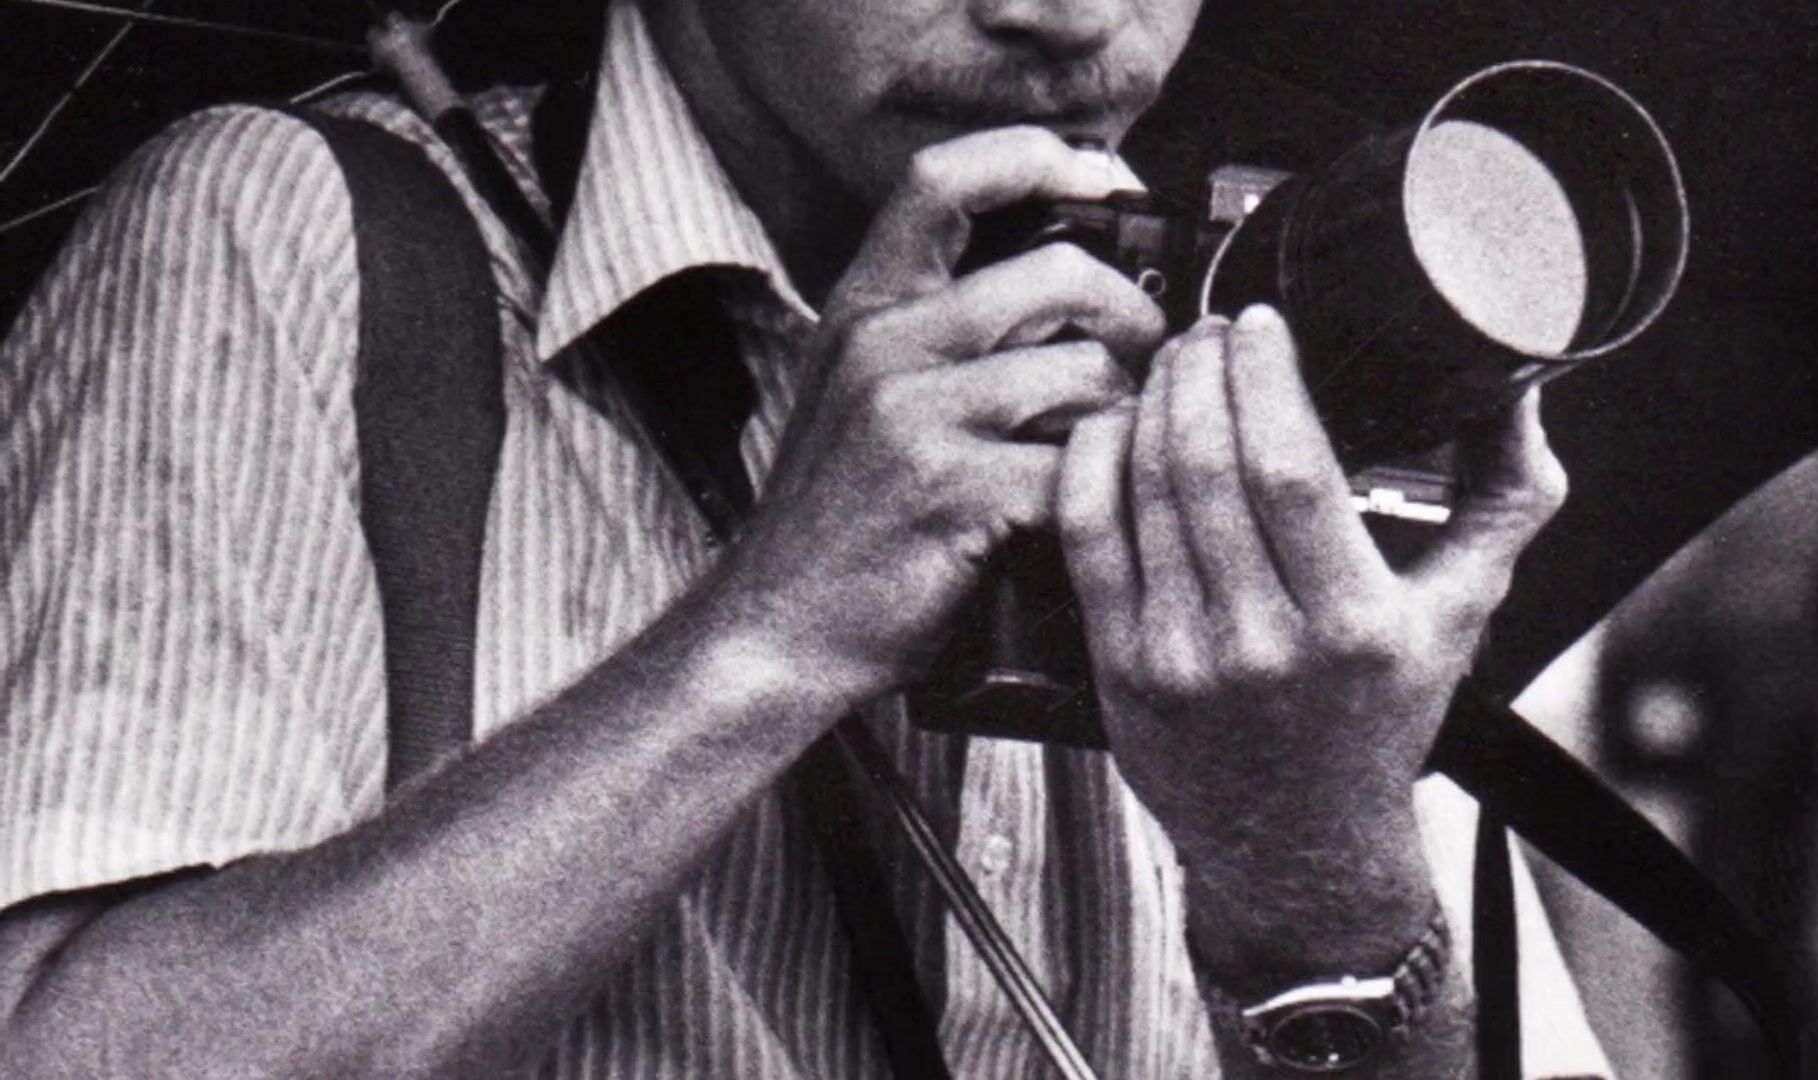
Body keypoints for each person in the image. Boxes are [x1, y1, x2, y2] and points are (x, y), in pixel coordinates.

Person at [0, 0, 1611, 1076]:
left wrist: (1322, 886)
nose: (1065, 12)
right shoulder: (305, 241)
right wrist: (768, 634)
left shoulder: (1254, 356)